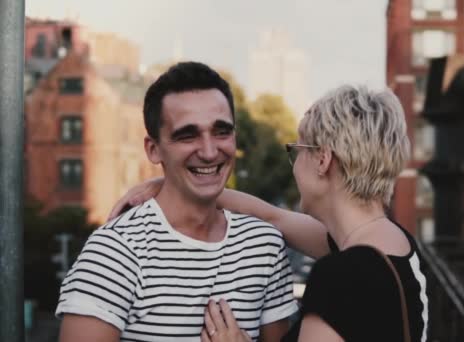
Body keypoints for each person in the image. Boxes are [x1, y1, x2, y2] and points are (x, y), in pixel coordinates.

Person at [111, 85, 429, 341]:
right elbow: (274, 217)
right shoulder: (393, 245)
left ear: (322, 160)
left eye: (298, 150)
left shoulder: (341, 277)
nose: (294, 165)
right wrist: (173, 183)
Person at [56, 62, 298, 342]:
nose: (209, 152)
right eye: (188, 135)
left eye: (221, 131)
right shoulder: (115, 253)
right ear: (153, 149)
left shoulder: (264, 246)